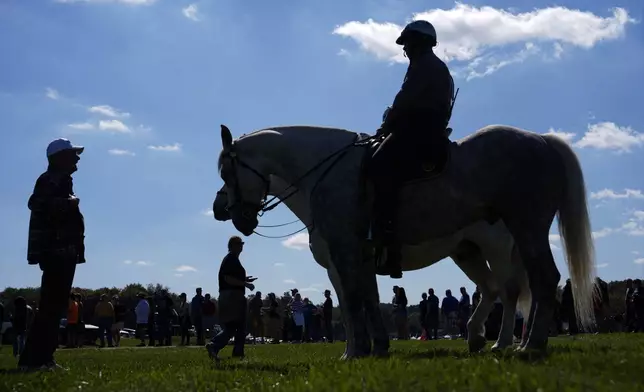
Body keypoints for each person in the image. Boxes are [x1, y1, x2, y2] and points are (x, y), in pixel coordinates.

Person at [368, 20, 456, 279]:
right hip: (425, 129)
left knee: (378, 165)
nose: (405, 49)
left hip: (418, 131)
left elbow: (405, 99)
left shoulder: (424, 66)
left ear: (420, 43)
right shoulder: (433, 66)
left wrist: (387, 123)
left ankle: (389, 242)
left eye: (408, 43)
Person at [19, 138, 86, 371]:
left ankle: (43, 358)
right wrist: (70, 203)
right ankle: (34, 360)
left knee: (55, 307)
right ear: (60, 158)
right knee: (51, 307)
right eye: (73, 154)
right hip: (56, 251)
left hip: (63, 250)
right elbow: (37, 204)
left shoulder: (60, 180)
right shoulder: (51, 180)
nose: (77, 158)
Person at [206, 236, 257, 361]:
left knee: (238, 326)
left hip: (232, 295)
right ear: (232, 245)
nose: (241, 246)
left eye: (242, 244)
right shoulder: (230, 259)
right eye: (239, 244)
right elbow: (227, 279)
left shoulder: (233, 260)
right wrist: (245, 284)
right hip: (231, 296)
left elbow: (232, 278)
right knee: (234, 326)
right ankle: (215, 345)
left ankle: (237, 352)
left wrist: (244, 280)